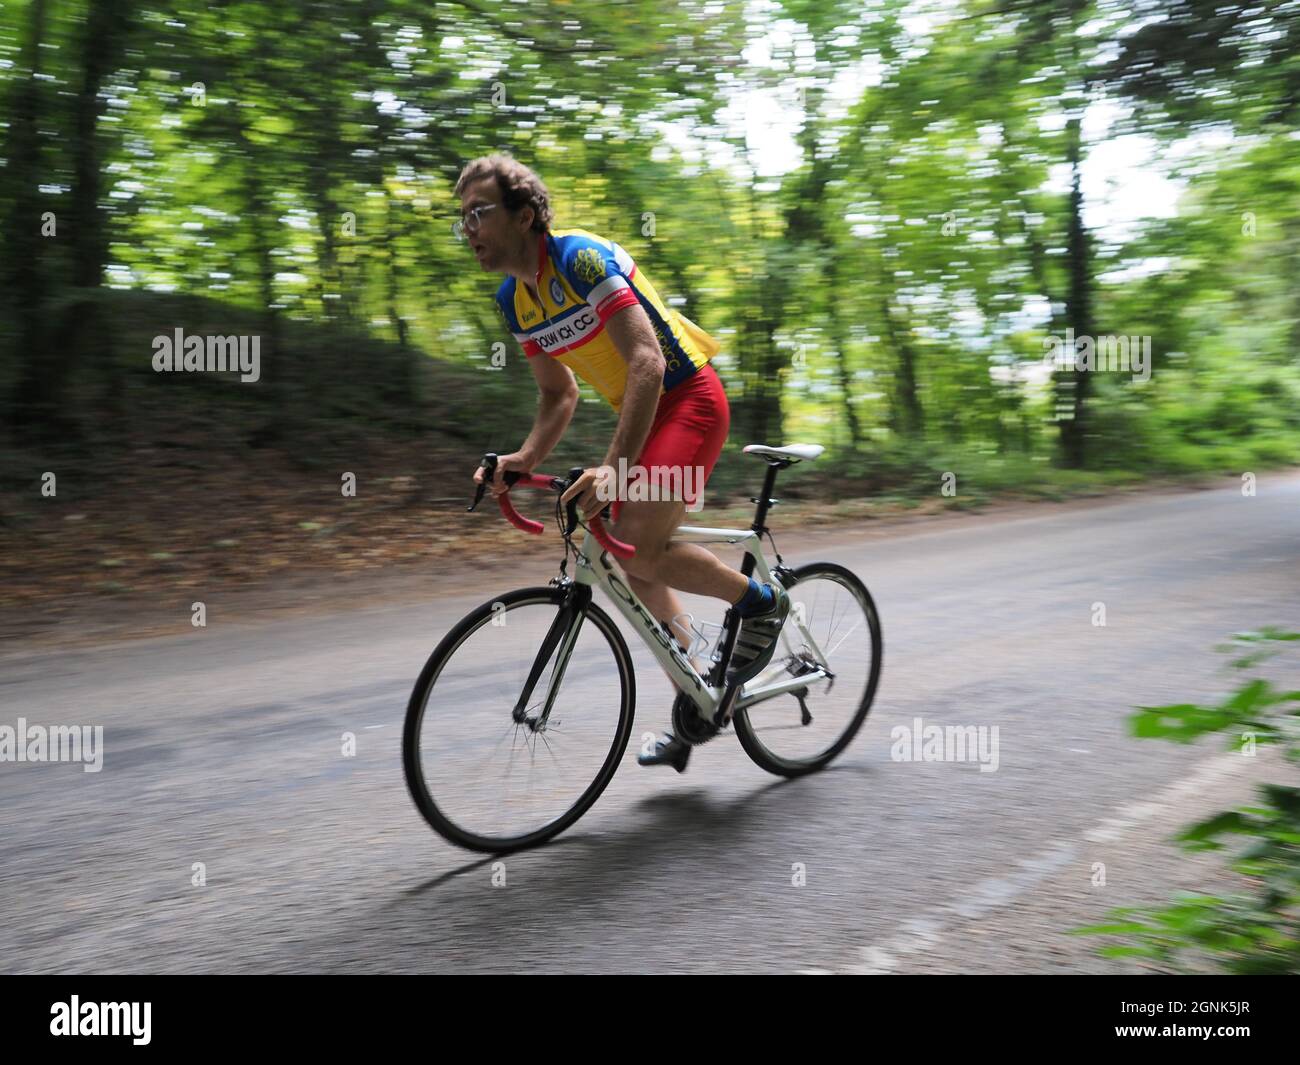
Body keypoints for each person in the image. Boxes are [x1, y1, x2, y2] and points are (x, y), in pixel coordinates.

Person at [459, 154, 788, 771]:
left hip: (689, 401)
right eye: (462, 220)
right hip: (644, 411)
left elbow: (648, 363)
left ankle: (758, 603)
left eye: (480, 213)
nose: (469, 229)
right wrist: (523, 458)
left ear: (525, 214)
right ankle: (699, 695)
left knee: (637, 538)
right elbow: (559, 393)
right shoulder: (515, 301)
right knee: (626, 554)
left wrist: (613, 468)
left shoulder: (582, 260)